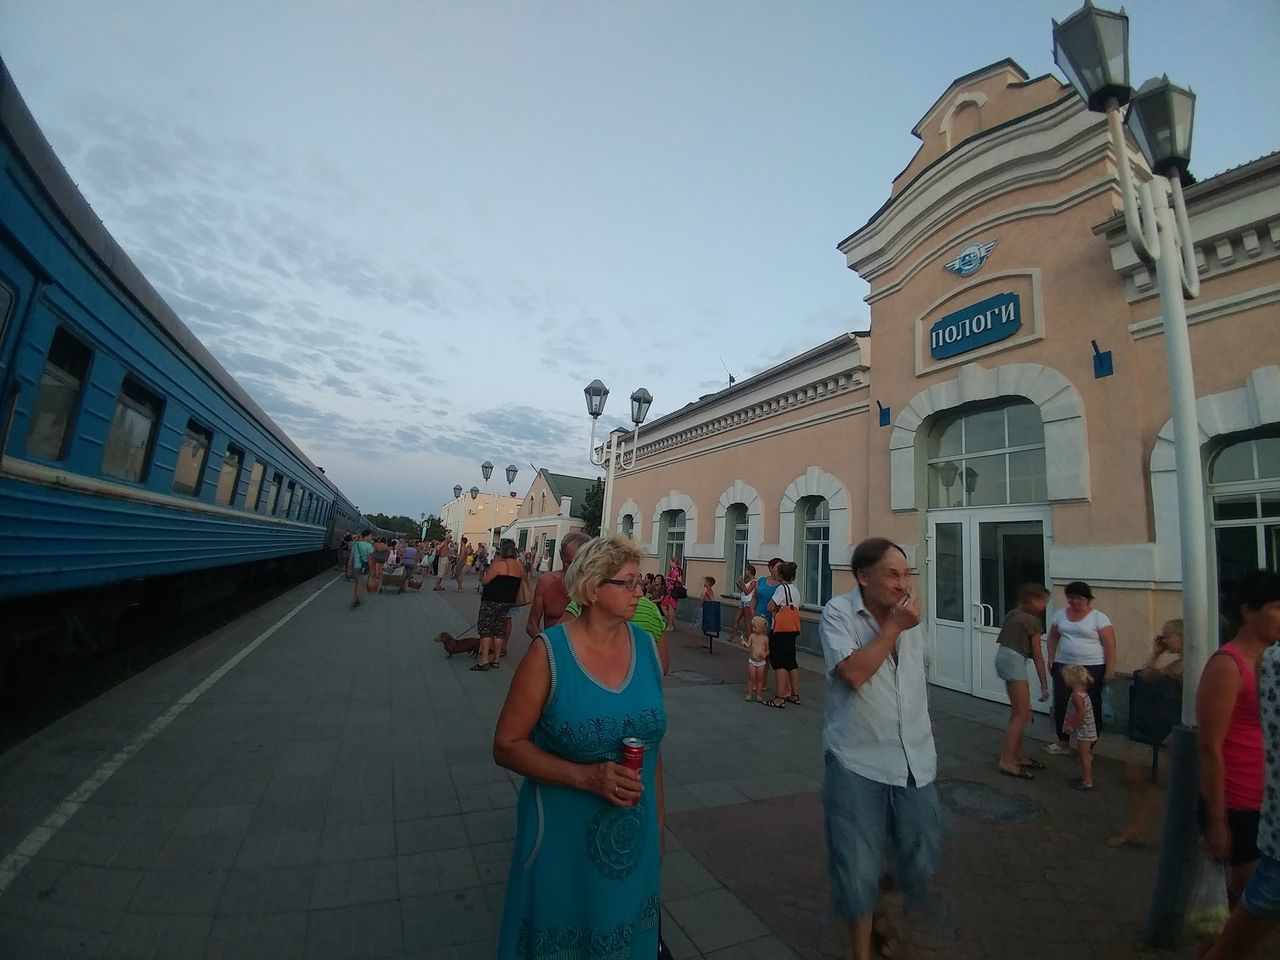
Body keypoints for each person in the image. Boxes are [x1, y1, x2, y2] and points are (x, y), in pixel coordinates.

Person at [493, 534, 667, 959]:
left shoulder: (646, 647)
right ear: (591, 589)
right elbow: (507, 745)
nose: (639, 592)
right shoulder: (548, 654)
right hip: (561, 843)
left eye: (639, 581)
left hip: (632, 842)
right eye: (627, 582)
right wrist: (585, 777)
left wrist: (657, 834)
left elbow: (655, 753)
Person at [819, 538, 940, 960]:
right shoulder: (839, 613)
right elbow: (853, 674)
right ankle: (862, 949)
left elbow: (918, 680)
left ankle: (882, 906)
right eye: (892, 574)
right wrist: (891, 628)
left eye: (905, 574)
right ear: (863, 577)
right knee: (857, 870)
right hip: (856, 761)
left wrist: (900, 625)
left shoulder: (913, 621)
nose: (902, 583)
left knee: (919, 860)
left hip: (915, 761)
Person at [1205, 572, 1280, 960]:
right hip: (1241, 801)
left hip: (1269, 800)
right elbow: (1211, 746)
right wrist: (1218, 819)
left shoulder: (1271, 660)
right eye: (1277, 607)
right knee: (1235, 918)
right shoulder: (1228, 664)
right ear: (1249, 612)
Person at [1108, 620, 1185, 846]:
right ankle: (1135, 827)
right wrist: (1156, 653)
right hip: (1153, 727)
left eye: (1167, 635)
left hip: (1170, 730)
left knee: (1160, 782)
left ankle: (1143, 828)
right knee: (1135, 776)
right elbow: (1146, 676)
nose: (1163, 639)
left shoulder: (1189, 665)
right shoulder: (1174, 663)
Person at [1045, 581, 1115, 755]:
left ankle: (1088, 745)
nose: (1074, 602)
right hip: (1065, 665)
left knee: (1090, 704)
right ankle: (1063, 742)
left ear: (1087, 599)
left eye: (1078, 598)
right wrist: (1051, 657)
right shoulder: (1060, 615)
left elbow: (1110, 646)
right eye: (1070, 598)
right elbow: (1053, 636)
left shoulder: (1099, 618)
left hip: (1092, 667)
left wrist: (1109, 669)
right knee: (1062, 702)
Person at [994, 583, 1051, 780]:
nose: (1044, 605)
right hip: (1014, 660)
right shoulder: (1032, 621)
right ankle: (1007, 761)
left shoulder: (1013, 614)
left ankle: (1018, 755)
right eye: (1043, 601)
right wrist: (1044, 685)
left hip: (1003, 657)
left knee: (1020, 711)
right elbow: (1037, 655)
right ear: (1031, 600)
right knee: (1022, 714)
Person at [526, 532, 591, 643]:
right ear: (561, 555)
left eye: (578, 564)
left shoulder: (595, 588)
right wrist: (548, 646)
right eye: (568, 563)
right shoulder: (547, 582)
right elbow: (531, 625)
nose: (572, 569)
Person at [475, 540, 524, 672]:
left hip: (491, 600)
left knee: (486, 629)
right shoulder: (519, 567)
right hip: (508, 602)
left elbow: (485, 581)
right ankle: (496, 659)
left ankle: (484, 660)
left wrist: (493, 566)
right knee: (499, 630)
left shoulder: (498, 565)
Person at [764, 561, 802, 709]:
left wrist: (774, 610)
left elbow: (770, 606)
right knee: (791, 662)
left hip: (780, 629)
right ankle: (795, 694)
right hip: (792, 628)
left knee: (779, 663)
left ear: (781, 575)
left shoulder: (781, 589)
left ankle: (779, 698)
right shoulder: (795, 590)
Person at [1061, 665, 1098, 790]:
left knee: (1083, 756)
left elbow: (1080, 713)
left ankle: (1088, 781)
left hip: (1084, 731)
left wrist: (1072, 725)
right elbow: (1088, 710)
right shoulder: (1083, 694)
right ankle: (1085, 777)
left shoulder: (1076, 696)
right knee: (1084, 755)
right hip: (1088, 729)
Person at [744, 616, 770, 703]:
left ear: (762, 628)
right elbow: (748, 645)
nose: (753, 628)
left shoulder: (765, 638)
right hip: (752, 660)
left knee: (759, 679)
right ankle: (749, 694)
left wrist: (764, 654)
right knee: (751, 678)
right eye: (753, 626)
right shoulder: (752, 636)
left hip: (761, 662)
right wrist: (744, 643)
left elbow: (768, 650)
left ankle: (759, 695)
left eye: (755, 627)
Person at [754, 558, 782, 630]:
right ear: (771, 568)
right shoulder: (762, 581)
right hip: (758, 616)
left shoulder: (782, 585)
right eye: (778, 567)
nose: (780, 570)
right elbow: (755, 596)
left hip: (773, 619)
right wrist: (751, 610)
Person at [731, 565, 757, 642]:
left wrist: (742, 583)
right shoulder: (748, 581)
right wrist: (741, 585)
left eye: (746, 570)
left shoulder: (754, 582)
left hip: (748, 602)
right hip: (742, 601)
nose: (745, 572)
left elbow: (747, 592)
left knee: (747, 621)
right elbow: (744, 590)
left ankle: (748, 639)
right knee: (736, 619)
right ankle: (732, 636)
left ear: (750, 571)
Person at [350, 530, 374, 608]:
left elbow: (352, 557)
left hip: (356, 566)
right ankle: (357, 598)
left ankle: (356, 597)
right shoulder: (369, 546)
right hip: (364, 567)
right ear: (366, 536)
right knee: (362, 583)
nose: (371, 537)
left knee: (357, 582)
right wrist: (371, 571)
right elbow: (370, 560)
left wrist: (349, 568)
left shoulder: (356, 545)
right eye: (370, 536)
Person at [661, 557, 684, 633]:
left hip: (673, 592)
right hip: (669, 592)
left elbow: (679, 580)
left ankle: (670, 625)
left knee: (670, 608)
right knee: (664, 606)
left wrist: (669, 578)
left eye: (671, 562)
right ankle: (671, 623)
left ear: (675, 563)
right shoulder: (673, 570)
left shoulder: (677, 570)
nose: (670, 563)